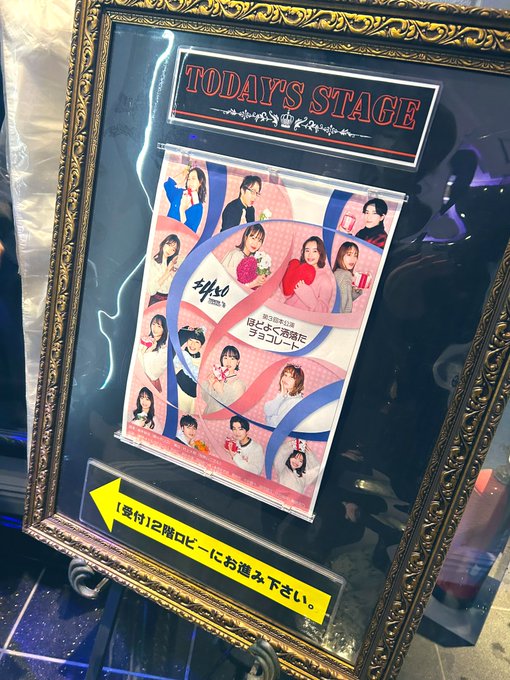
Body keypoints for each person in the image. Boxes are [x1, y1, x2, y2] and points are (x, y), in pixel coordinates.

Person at [282, 236, 335, 312]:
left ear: (321, 253)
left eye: (315, 251)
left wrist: (307, 294)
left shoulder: (325, 279)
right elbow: (287, 295)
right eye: (307, 251)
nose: (310, 255)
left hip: (300, 318)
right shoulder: (298, 269)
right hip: (284, 311)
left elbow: (322, 311)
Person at [202, 345, 246, 414]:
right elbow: (208, 401)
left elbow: (236, 409)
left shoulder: (239, 384)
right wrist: (211, 385)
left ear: (238, 362)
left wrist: (220, 390)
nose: (228, 362)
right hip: (208, 415)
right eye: (225, 358)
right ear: (221, 359)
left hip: (223, 419)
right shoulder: (216, 376)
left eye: (232, 359)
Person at [221, 223, 268, 288]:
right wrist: (254, 283)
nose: (255, 243)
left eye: (259, 240)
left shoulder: (254, 259)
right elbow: (230, 285)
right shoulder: (236, 255)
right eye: (253, 238)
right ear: (246, 237)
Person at [173, 326, 206, 414]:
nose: (192, 344)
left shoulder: (202, 361)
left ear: (201, 345)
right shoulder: (181, 355)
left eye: (197, 342)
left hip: (191, 399)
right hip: (178, 393)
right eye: (190, 340)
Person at [164, 166, 207, 232]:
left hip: (177, 237)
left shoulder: (198, 207)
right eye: (188, 179)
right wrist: (181, 176)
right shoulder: (180, 193)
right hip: (165, 231)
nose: (190, 182)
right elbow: (168, 185)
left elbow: (190, 233)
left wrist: (182, 210)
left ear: (200, 182)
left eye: (193, 179)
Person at [147, 234, 181, 306]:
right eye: (169, 245)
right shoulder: (153, 263)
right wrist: (167, 272)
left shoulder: (172, 264)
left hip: (169, 301)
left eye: (173, 249)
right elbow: (151, 290)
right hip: (155, 301)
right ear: (163, 243)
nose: (170, 250)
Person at [138, 314, 168, 391]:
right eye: (153, 324)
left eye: (159, 326)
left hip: (150, 382)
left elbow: (154, 372)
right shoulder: (145, 340)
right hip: (138, 378)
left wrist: (148, 351)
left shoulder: (163, 348)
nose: (155, 328)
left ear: (164, 329)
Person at [333, 241, 363, 313]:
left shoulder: (336, 273)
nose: (353, 259)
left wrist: (355, 292)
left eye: (355, 255)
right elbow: (342, 306)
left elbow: (344, 300)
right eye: (349, 254)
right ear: (341, 256)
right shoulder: (345, 274)